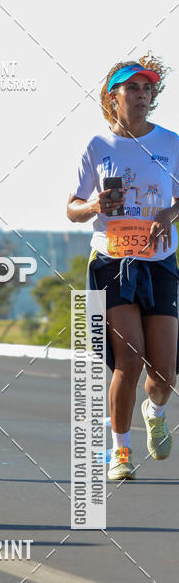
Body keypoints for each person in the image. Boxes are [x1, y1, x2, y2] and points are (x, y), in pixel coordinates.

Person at [67, 56, 179, 481]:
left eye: (147, 88)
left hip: (160, 262)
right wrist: (95, 205)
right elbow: (72, 208)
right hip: (112, 262)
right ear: (113, 97)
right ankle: (120, 453)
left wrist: (169, 214)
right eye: (132, 88)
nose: (141, 94)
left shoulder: (171, 143)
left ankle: (156, 410)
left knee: (163, 372)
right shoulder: (98, 147)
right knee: (128, 361)